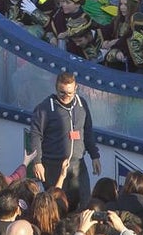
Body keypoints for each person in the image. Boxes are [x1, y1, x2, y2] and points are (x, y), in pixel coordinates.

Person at [28, 71, 101, 210]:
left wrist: (94, 156)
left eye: (70, 93)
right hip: (52, 165)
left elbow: (88, 130)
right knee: (57, 205)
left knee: (84, 203)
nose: (66, 97)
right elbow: (35, 135)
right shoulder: (44, 108)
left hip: (77, 164)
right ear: (56, 88)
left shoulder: (82, 104)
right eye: (62, 93)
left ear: (76, 88)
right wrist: (37, 162)